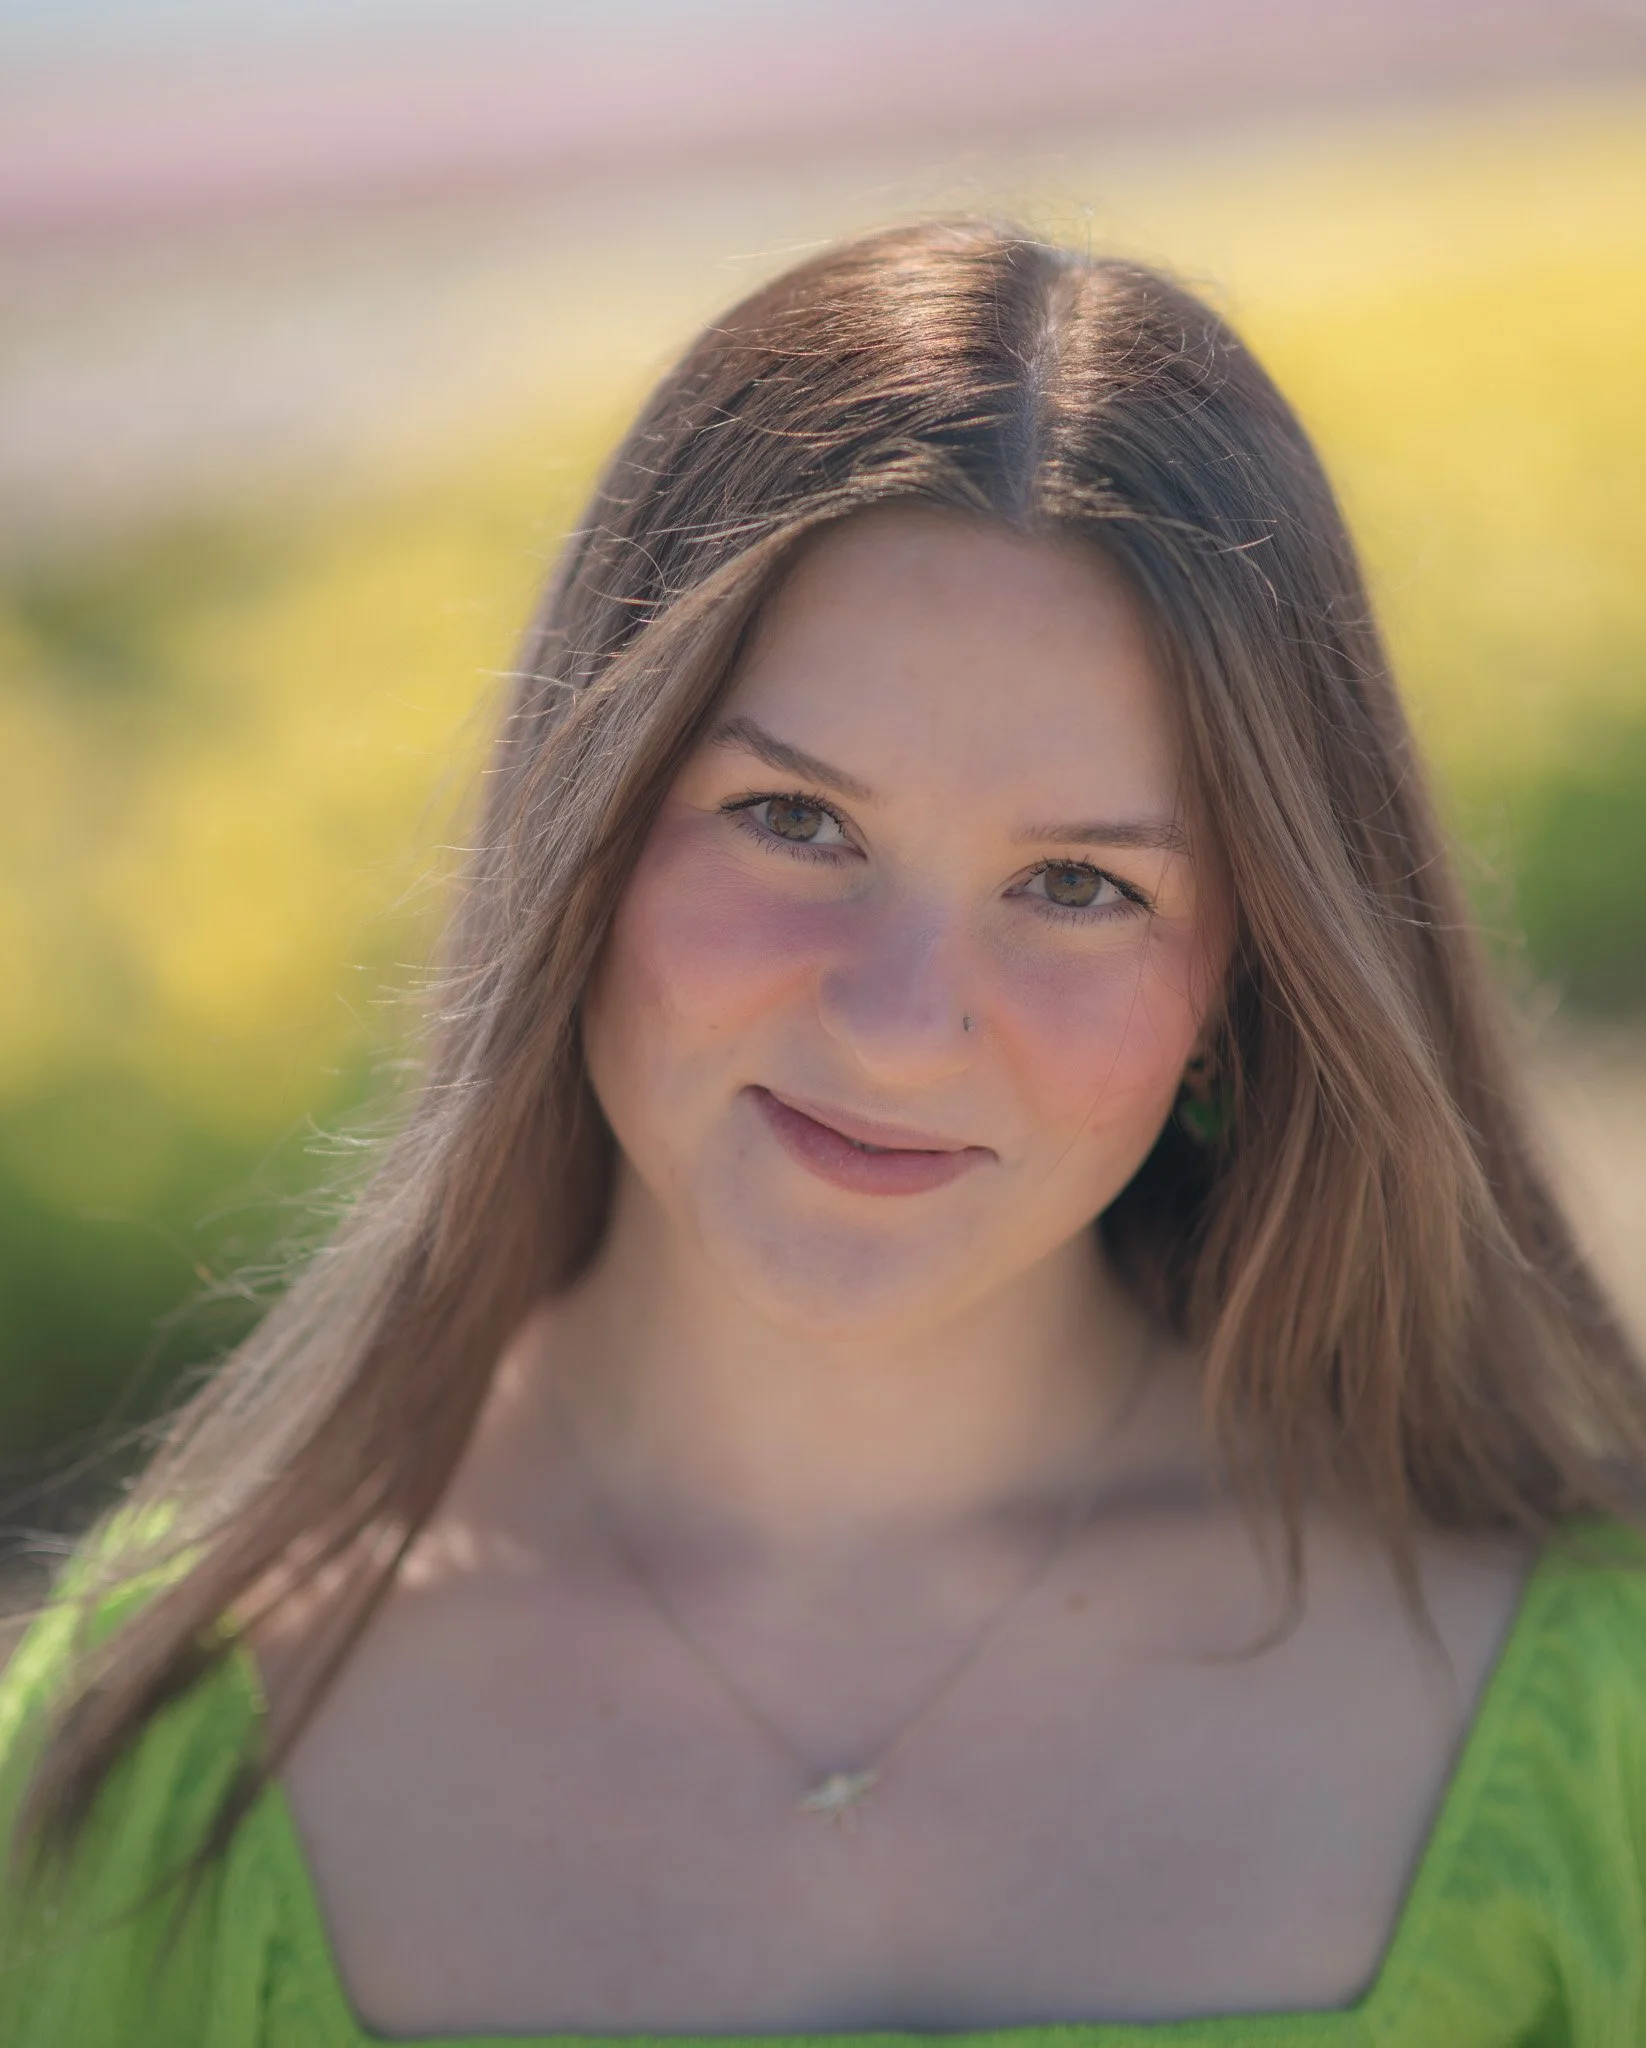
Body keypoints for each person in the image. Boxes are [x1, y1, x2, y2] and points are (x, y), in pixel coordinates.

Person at [3, 219, 1645, 2048]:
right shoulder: (143, 1778)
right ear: (588, 837)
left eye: (1080, 883)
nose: (896, 1019)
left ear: (1245, 985)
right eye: (792, 821)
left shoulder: (1585, 1719)